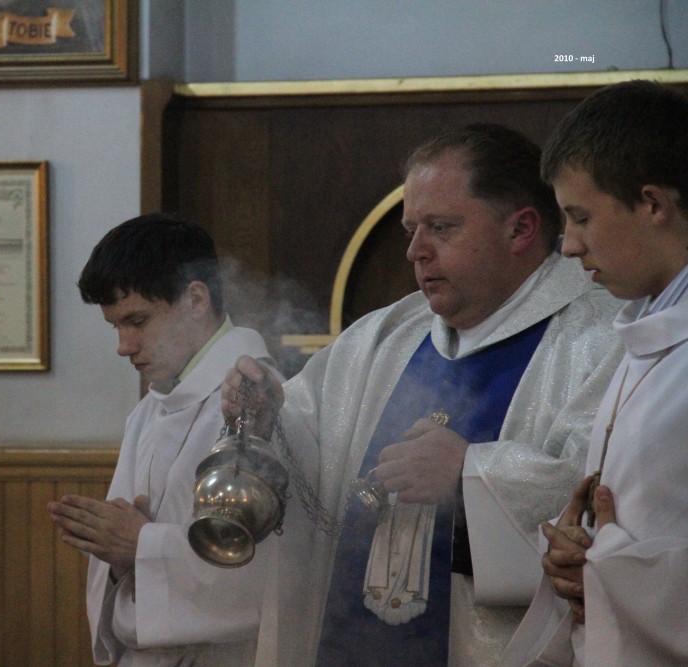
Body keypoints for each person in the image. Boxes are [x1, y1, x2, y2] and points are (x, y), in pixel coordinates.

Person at [223, 123, 624, 666]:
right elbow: (314, 456)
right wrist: (266, 418)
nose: (415, 251)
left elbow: (607, 494)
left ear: (521, 229)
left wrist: (471, 474)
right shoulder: (382, 337)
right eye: (412, 230)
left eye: (441, 227)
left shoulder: (604, 339)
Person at [502, 80, 688, 666]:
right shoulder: (648, 332)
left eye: (580, 217)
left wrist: (608, 578)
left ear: (652, 204)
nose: (570, 246)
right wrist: (573, 551)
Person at [47, 214, 277, 665]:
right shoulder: (151, 410)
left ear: (195, 299)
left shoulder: (258, 403)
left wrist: (141, 545)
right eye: (116, 326)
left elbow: (268, 574)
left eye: (137, 321)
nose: (124, 345)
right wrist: (116, 552)